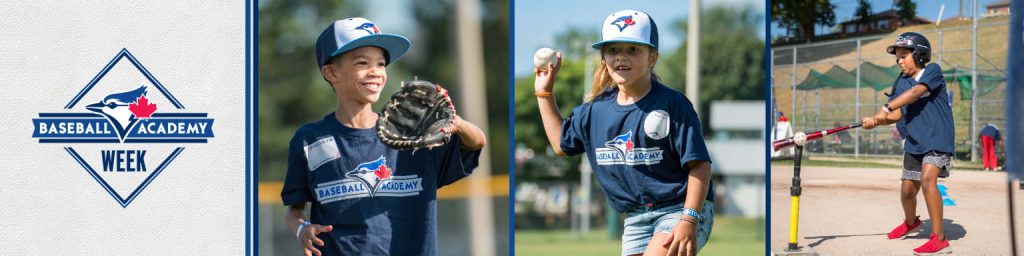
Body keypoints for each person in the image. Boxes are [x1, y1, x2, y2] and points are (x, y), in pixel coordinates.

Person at [279, 17, 487, 256]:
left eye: (380, 64)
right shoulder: (310, 139)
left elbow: (477, 142)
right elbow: (294, 210)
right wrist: (302, 229)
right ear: (331, 72)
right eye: (362, 62)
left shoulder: (410, 136)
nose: (375, 72)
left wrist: (456, 123)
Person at [534, 10, 713, 256]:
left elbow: (700, 166)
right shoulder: (595, 111)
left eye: (633, 49)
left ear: (653, 57)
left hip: (681, 209)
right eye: (613, 50)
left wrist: (689, 219)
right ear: (603, 57)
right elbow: (560, 144)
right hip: (635, 217)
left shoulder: (672, 104)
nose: (621, 57)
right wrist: (544, 93)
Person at [861, 32, 954, 255]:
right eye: (897, 58)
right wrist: (876, 121)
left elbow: (915, 93)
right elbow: (897, 114)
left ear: (920, 55)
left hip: (937, 137)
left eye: (904, 56)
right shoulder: (900, 82)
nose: (900, 61)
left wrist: (885, 109)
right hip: (915, 140)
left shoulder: (932, 71)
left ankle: (939, 238)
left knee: (928, 179)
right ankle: (911, 222)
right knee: (907, 190)